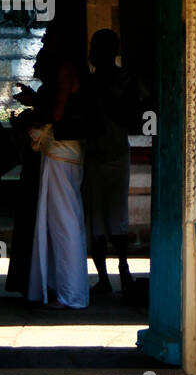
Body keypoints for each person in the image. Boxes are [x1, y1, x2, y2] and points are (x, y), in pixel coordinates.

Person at [19, 22, 90, 309]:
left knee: (65, 222)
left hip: (62, 152)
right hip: (62, 153)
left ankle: (71, 293)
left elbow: (57, 114)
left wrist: (34, 103)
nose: (44, 43)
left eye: (49, 38)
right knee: (60, 220)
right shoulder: (69, 68)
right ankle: (58, 287)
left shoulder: (64, 68)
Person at [82, 29, 138, 299]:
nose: (92, 53)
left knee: (113, 217)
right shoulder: (94, 82)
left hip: (111, 153)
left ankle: (120, 270)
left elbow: (129, 116)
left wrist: (105, 94)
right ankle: (108, 276)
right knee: (101, 220)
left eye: (96, 48)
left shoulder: (122, 81)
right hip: (99, 153)